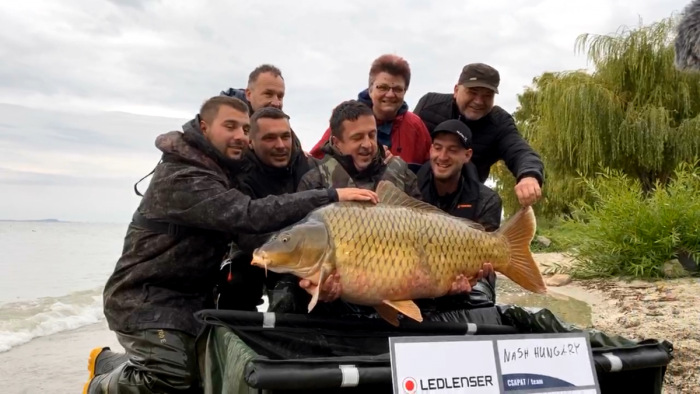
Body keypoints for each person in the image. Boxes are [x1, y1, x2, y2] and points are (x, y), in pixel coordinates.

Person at [83, 96, 378, 394]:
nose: (239, 135)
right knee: (171, 377)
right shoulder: (186, 175)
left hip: (194, 299)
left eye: (244, 128)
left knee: (202, 374)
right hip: (146, 297)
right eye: (229, 126)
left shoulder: (225, 168)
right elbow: (247, 215)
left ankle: (110, 362)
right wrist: (331, 196)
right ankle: (100, 386)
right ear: (204, 126)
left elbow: (258, 230)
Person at [279, 100, 491, 318]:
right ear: (337, 142)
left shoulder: (401, 174)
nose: (368, 144)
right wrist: (319, 289)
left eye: (372, 135)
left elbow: (428, 221)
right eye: (357, 137)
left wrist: (450, 285)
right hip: (338, 310)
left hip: (405, 291)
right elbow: (302, 250)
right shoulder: (314, 182)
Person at [412, 63, 544, 207]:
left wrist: (529, 176)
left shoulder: (499, 123)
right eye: (472, 92)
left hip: (468, 203)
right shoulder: (429, 106)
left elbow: (520, 151)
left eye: (487, 95)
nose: (478, 101)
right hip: (419, 196)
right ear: (456, 90)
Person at [417, 119, 503, 308]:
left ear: (467, 155)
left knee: (479, 295)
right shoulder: (412, 186)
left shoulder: (487, 199)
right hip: (417, 276)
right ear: (430, 150)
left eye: (452, 150)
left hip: (468, 280)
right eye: (437, 148)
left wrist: (475, 277)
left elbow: (486, 264)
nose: (442, 156)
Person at [308, 54, 432, 169]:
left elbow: (430, 171)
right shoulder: (347, 120)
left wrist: (398, 168)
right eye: (383, 87)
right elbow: (315, 164)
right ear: (370, 89)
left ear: (405, 91)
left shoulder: (416, 127)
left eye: (397, 89)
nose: (390, 94)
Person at [220, 64, 285, 114]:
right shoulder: (219, 120)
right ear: (249, 94)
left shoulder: (282, 126)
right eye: (268, 94)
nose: (276, 103)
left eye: (280, 96)